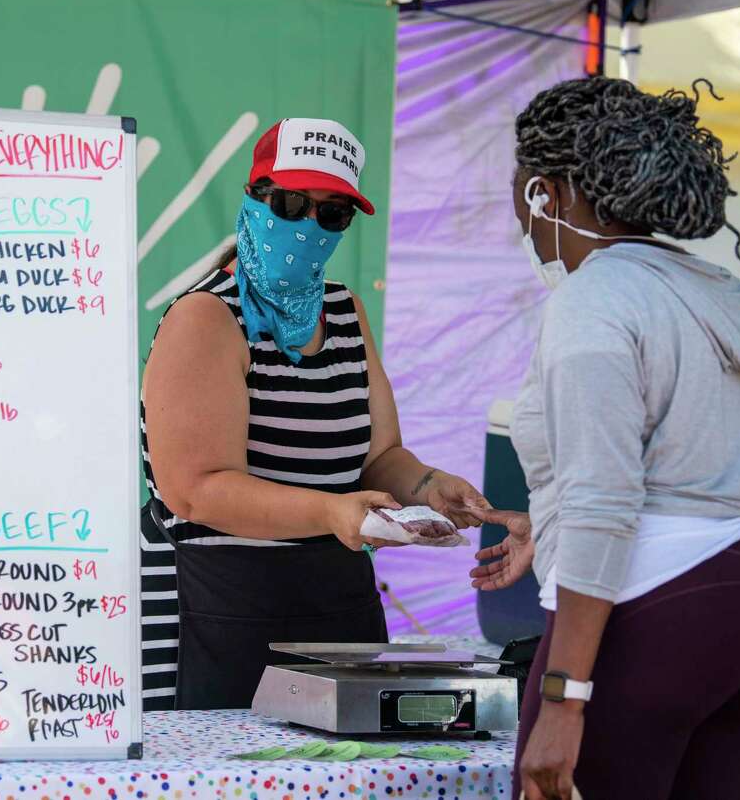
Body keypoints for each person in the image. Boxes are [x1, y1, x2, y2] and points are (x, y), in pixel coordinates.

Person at [467, 78, 740, 800]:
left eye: (521, 189)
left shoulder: (595, 301)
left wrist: (563, 701)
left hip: (651, 612)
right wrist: (545, 527)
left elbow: (604, 501)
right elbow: (688, 468)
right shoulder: (725, 293)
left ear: (546, 193)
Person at [139, 117, 487, 710]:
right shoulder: (205, 318)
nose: (307, 226)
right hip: (215, 605)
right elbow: (193, 491)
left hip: (335, 601)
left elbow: (378, 458)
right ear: (253, 197)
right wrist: (332, 513)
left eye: (331, 214)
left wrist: (430, 487)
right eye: (291, 204)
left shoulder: (346, 311)